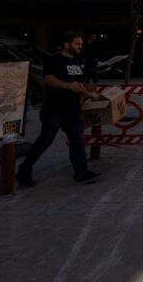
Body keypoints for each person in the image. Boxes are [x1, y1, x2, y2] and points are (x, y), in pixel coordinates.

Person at [17, 31, 100, 186]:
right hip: (55, 109)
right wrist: (66, 85)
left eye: (81, 44)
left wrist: (88, 94)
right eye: (77, 44)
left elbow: (78, 84)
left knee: (77, 141)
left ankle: (81, 172)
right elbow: (48, 79)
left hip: (74, 109)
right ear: (66, 44)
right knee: (45, 141)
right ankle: (24, 170)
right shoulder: (55, 60)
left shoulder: (78, 60)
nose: (80, 47)